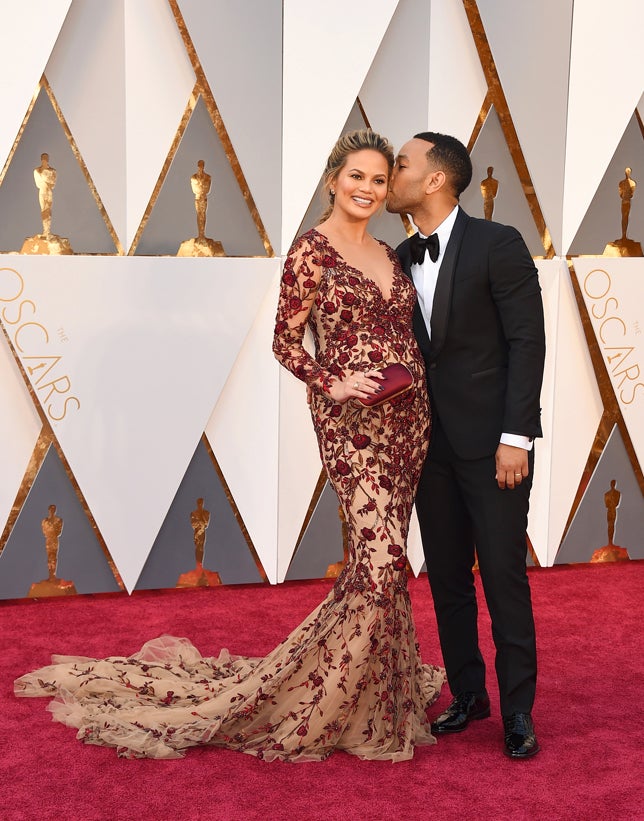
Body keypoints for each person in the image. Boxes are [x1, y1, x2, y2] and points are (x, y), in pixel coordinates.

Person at [15, 128, 444, 762]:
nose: (368, 188)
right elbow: (286, 342)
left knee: (375, 564)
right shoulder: (310, 253)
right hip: (351, 425)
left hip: (408, 421)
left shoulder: (390, 250)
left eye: (379, 180)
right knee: (378, 563)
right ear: (332, 179)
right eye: (356, 176)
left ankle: (377, 698)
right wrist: (334, 378)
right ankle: (315, 703)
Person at [387, 132, 545, 759]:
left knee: (504, 576)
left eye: (401, 165)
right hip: (431, 449)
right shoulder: (398, 256)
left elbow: (525, 345)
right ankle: (468, 695)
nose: (390, 175)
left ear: (434, 180)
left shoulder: (497, 244)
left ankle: (518, 711)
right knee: (447, 578)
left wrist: (516, 437)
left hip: (493, 447)